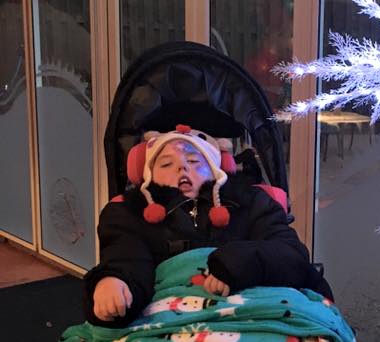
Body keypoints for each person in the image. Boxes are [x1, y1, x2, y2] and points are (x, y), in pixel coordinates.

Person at [84, 124, 332, 326]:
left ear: (215, 172)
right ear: (148, 177)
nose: (182, 166)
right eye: (166, 164)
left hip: (257, 306)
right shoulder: (128, 213)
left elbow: (291, 254)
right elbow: (125, 257)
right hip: (170, 314)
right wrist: (115, 282)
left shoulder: (251, 201)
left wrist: (238, 263)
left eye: (194, 161)